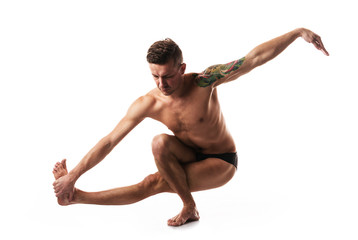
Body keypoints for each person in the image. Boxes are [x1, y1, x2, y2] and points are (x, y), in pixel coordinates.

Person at [53, 28, 329, 226]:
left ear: (182, 68)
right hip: (186, 153)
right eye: (155, 77)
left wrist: (296, 33)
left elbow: (252, 59)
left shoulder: (204, 81)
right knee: (159, 142)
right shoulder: (147, 103)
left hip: (221, 161)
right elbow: (110, 141)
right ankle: (73, 193)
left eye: (169, 76)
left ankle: (188, 207)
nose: (162, 85)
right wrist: (73, 174)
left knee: (153, 183)